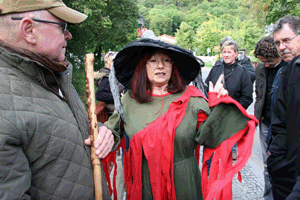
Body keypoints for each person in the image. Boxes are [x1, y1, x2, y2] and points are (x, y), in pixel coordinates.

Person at [93, 38, 258, 199]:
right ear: (143, 66)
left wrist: (221, 107)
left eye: (167, 60)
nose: (160, 66)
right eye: (153, 60)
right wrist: (102, 132)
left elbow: (212, 138)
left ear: (173, 67)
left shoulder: (192, 99)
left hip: (183, 183)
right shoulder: (129, 100)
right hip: (143, 184)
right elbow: (111, 131)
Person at [0, 0, 119, 199]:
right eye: (62, 27)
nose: (68, 35)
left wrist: (102, 131)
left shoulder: (52, 75)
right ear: (28, 30)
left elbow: (59, 131)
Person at [267, 15, 300, 200]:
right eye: (277, 42)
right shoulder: (286, 70)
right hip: (284, 170)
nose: (281, 47)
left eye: (287, 40)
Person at [205, 40, 253, 160]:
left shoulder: (242, 73)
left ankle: (224, 175)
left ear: (236, 54)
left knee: (227, 153)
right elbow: (207, 88)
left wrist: (235, 111)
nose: (226, 55)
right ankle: (209, 175)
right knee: (210, 151)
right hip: (214, 115)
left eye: (229, 52)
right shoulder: (216, 69)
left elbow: (247, 97)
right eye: (224, 52)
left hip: (231, 118)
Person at [254, 36, 286, 200]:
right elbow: (259, 94)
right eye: (263, 61)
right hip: (265, 122)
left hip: (284, 126)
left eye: (269, 61)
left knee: (284, 165)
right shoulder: (260, 68)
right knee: (268, 166)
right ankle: (268, 197)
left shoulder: (289, 67)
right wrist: (257, 117)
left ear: (279, 55)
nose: (266, 64)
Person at [95, 51, 123, 117]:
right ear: (107, 63)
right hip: (115, 114)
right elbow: (100, 95)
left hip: (120, 112)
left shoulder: (113, 76)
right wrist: (120, 97)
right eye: (114, 61)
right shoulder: (107, 77)